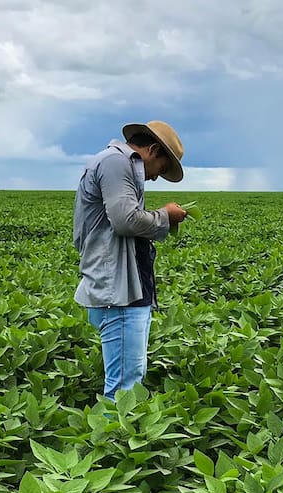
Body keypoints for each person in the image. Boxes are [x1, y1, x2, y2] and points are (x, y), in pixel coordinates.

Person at [72, 120, 188, 400]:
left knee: (130, 380)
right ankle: (113, 430)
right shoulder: (115, 162)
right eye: (161, 168)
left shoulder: (118, 164)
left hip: (126, 289)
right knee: (124, 388)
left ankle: (119, 426)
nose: (156, 177)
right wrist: (166, 215)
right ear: (153, 150)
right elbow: (126, 221)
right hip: (118, 293)